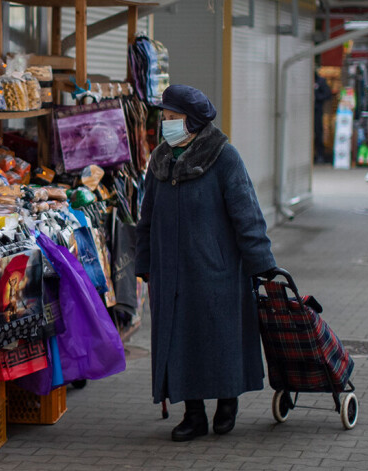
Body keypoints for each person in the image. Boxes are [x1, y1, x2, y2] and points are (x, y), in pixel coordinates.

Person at [135, 85, 277, 442]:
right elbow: (147, 217)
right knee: (179, 344)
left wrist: (263, 265)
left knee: (220, 340)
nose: (165, 124)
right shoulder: (160, 160)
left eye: (172, 118)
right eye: (164, 118)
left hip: (217, 271)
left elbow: (248, 215)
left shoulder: (224, 157)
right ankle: (193, 414)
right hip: (171, 275)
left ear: (192, 120)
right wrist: (145, 262)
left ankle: (227, 403)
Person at [314, 71, 332, 163]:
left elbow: (327, 94)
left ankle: (320, 155)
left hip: (317, 111)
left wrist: (317, 97)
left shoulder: (320, 81)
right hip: (305, 112)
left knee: (318, 133)